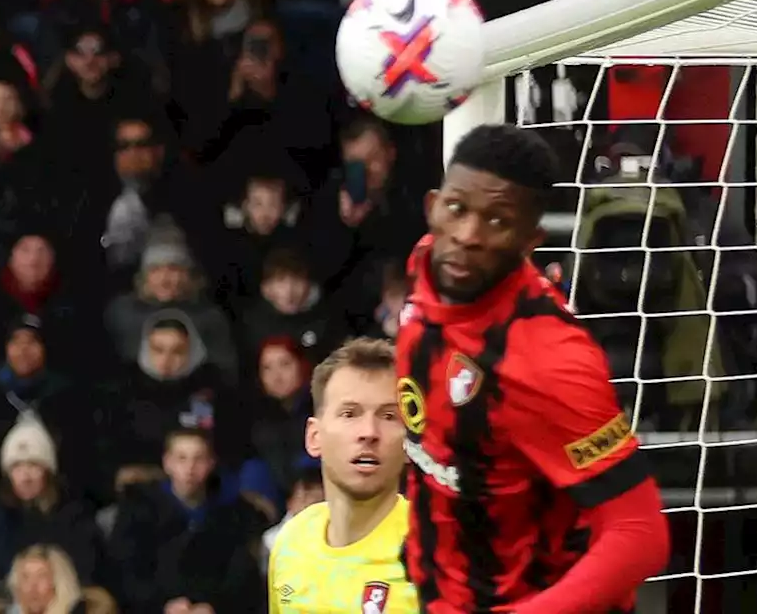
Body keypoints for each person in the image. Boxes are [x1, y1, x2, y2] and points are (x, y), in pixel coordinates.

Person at [396, 124, 670, 613]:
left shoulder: (550, 359)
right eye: (456, 209)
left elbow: (640, 533)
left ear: (530, 239)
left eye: (497, 221)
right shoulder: (426, 268)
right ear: (432, 204)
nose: (467, 236)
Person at [268, 338, 417, 613]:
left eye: (388, 416)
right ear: (314, 437)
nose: (369, 432)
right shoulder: (292, 541)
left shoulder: (434, 550)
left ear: (410, 442)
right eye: (350, 414)